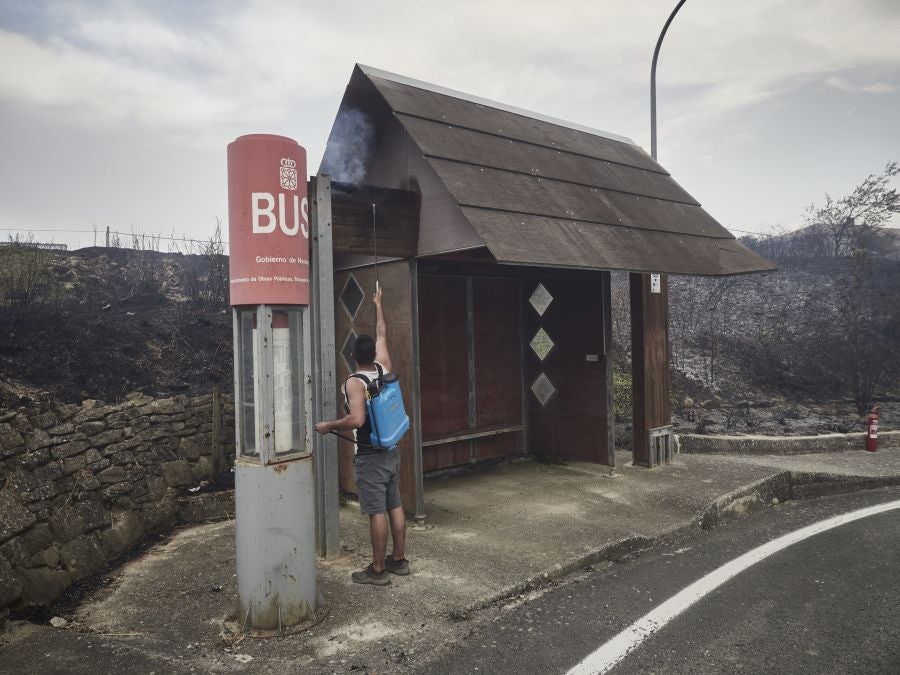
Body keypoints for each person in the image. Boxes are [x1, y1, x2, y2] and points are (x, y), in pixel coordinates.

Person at [314, 286, 409, 586]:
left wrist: (329, 425)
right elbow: (382, 334)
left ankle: (378, 569)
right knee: (395, 505)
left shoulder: (354, 383)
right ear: (372, 355)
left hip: (370, 456)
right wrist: (378, 304)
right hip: (391, 449)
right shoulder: (383, 367)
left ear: (353, 356)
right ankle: (399, 560)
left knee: (376, 511)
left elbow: (357, 419)